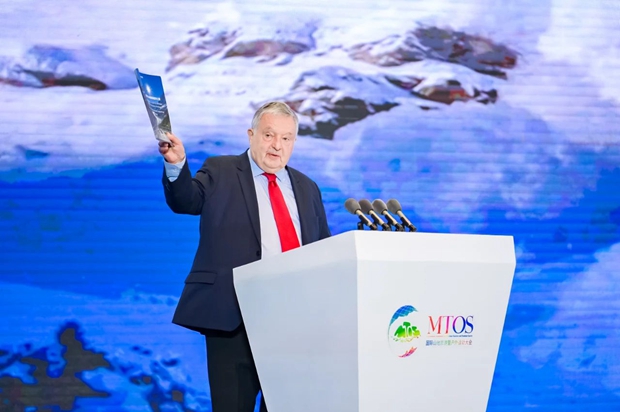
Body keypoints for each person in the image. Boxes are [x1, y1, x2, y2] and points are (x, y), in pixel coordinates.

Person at [158, 101, 331, 412]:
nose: (277, 145)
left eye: (286, 138)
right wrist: (177, 165)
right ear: (251, 135)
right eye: (269, 135)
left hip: (293, 323)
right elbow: (186, 201)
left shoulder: (308, 188)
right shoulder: (221, 170)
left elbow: (323, 249)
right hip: (234, 318)